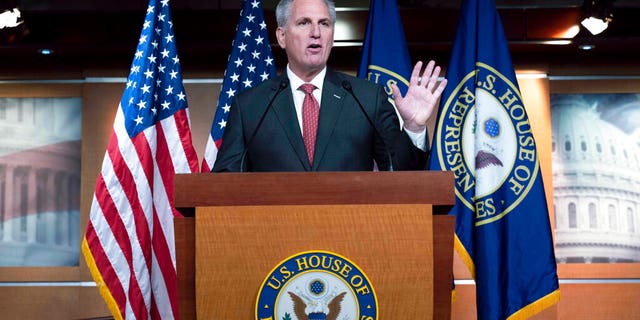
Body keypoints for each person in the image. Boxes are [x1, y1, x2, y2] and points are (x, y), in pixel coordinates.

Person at [212, 0, 447, 172]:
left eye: (324, 24)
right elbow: (225, 182)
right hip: (272, 235)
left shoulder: (366, 98)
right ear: (282, 36)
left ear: (332, 36)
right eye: (304, 23)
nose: (316, 33)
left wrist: (414, 128)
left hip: (349, 235)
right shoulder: (251, 105)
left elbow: (404, 176)